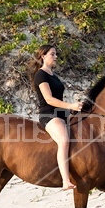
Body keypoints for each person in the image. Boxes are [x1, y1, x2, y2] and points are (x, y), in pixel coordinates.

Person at [28, 44, 82, 190]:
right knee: (64, 141)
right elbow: (49, 99)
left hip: (62, 114)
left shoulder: (53, 75)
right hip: (49, 114)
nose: (56, 57)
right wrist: (70, 106)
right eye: (52, 54)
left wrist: (75, 108)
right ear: (43, 56)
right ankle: (65, 180)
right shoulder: (41, 75)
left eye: (55, 54)